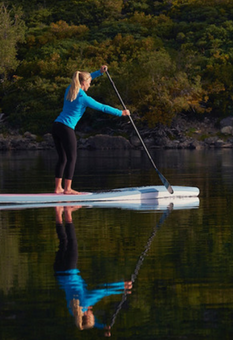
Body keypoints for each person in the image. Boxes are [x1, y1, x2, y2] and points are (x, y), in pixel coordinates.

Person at [52, 65, 130, 194]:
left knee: (63, 158)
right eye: (88, 83)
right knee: (72, 158)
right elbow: (102, 107)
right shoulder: (84, 98)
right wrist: (121, 113)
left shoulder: (70, 89)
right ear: (83, 83)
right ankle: (67, 189)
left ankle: (58, 188)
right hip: (66, 128)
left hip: (56, 126)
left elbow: (86, 78)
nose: (89, 85)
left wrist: (99, 73)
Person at [53, 205, 132, 331]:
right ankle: (58, 212)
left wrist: (121, 286)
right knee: (63, 242)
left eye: (92, 315)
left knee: (72, 241)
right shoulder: (73, 310)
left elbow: (103, 290)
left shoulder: (85, 303)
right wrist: (103, 327)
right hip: (58, 272)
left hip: (70, 270)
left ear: (86, 315)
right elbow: (87, 322)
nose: (92, 312)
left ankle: (68, 212)